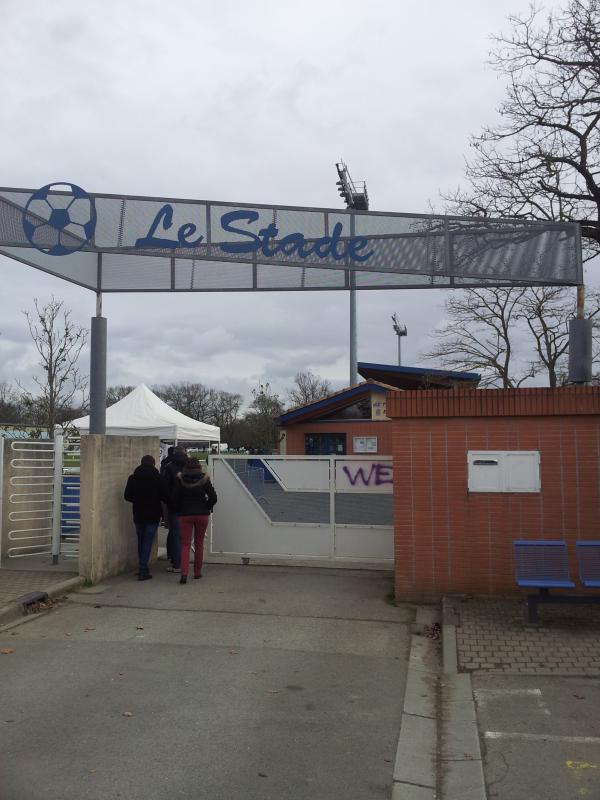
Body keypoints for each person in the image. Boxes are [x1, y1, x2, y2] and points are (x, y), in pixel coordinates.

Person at [171, 457, 217, 584]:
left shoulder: (179, 479)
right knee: (199, 544)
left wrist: (179, 509)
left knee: (185, 545)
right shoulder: (204, 479)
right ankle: (197, 573)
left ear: (185, 467)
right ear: (199, 466)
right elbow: (213, 497)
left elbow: (174, 498)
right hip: (201, 514)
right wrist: (206, 507)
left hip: (184, 515)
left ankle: (184, 574)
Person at [124, 455, 167, 581]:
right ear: (153, 464)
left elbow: (127, 496)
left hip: (138, 513)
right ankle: (143, 569)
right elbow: (164, 496)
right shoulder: (158, 478)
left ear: (141, 463)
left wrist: (137, 500)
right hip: (153, 514)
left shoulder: (133, 478)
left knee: (141, 540)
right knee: (148, 541)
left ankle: (142, 567)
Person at [161, 445, 188, 572]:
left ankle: (176, 563)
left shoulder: (169, 467)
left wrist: (169, 502)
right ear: (185, 453)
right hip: (189, 506)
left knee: (175, 534)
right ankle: (185, 561)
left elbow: (165, 488)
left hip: (174, 506)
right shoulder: (190, 465)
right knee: (186, 537)